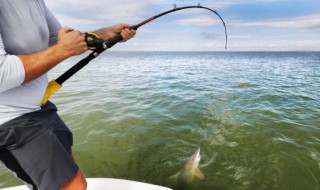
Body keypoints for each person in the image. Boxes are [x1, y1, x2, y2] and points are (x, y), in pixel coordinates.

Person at [0, 0, 136, 189]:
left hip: (40, 107)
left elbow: (57, 39)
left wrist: (106, 34)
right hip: (10, 120)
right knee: (74, 186)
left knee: (68, 169)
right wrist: (63, 51)